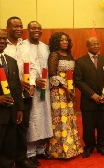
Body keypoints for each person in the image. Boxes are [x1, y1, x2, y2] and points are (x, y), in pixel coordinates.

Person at [5, 16, 37, 168]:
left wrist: (31, 83)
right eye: (15, 26)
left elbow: (32, 66)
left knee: (23, 126)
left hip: (25, 93)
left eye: (20, 26)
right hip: (8, 93)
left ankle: (21, 158)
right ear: (7, 28)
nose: (19, 29)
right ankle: (8, 160)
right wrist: (18, 82)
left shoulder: (25, 46)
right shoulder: (2, 45)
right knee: (9, 127)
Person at [74, 37, 104, 158]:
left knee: (102, 125)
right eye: (93, 44)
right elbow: (79, 81)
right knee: (88, 126)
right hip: (88, 100)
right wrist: (92, 94)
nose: (96, 46)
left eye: (97, 43)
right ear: (88, 46)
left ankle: (101, 146)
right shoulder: (80, 62)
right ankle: (89, 147)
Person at [47, 32, 83, 159]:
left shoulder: (69, 55)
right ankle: (59, 150)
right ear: (57, 42)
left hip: (69, 89)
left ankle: (72, 148)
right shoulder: (54, 55)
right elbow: (52, 74)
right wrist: (65, 88)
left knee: (69, 118)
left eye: (66, 40)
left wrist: (71, 89)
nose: (65, 42)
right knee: (59, 118)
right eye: (62, 40)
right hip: (58, 90)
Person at [24, 21, 53, 166]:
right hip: (30, 89)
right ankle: (30, 153)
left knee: (44, 118)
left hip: (45, 88)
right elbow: (23, 66)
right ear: (28, 30)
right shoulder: (22, 46)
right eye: (33, 28)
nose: (36, 30)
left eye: (39, 28)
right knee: (33, 120)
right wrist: (33, 81)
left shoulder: (45, 47)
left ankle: (41, 149)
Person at [0, 30, 24, 168]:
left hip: (11, 112)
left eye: (4, 39)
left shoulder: (11, 61)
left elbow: (16, 87)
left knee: (9, 144)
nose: (2, 42)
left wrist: (19, 108)